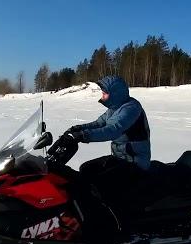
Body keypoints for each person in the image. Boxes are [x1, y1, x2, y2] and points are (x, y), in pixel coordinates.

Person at [60, 75, 151, 207]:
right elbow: (99, 123)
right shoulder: (114, 108)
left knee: (99, 184)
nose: (101, 97)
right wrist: (78, 128)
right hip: (121, 158)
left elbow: (113, 130)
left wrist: (83, 136)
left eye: (104, 93)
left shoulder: (131, 108)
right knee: (86, 170)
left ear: (115, 94)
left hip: (135, 163)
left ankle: (109, 219)